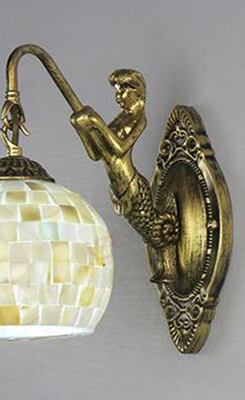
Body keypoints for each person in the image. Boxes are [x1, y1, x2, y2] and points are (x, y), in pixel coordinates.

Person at [71, 69, 178, 283]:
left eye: (123, 90)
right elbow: (96, 153)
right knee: (144, 229)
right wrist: (82, 129)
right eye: (116, 91)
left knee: (150, 229)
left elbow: (120, 148)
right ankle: (166, 263)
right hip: (117, 189)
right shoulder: (120, 120)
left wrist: (96, 121)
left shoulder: (139, 120)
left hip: (132, 186)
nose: (118, 96)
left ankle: (169, 264)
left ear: (137, 92)